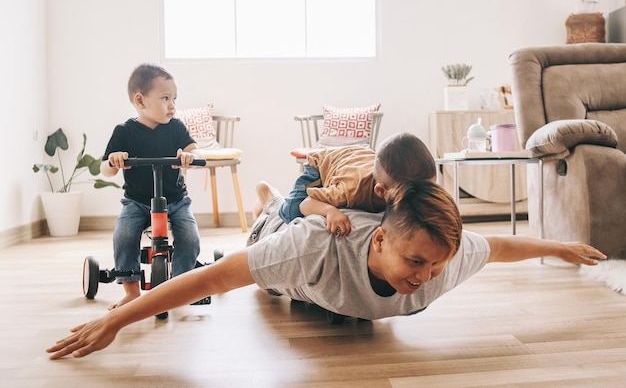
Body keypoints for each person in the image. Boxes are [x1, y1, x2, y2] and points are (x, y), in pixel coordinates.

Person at [47, 180, 606, 360]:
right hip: (292, 262)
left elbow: (502, 246)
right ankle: (273, 197)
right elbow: (213, 279)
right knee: (273, 223)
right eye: (416, 262)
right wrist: (122, 317)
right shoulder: (309, 248)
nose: (428, 275)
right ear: (382, 237)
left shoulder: (445, 258)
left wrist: (561, 249)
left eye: (438, 265)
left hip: (331, 287)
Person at [100, 63, 203, 310]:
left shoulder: (176, 128)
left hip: (176, 200)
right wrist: (114, 161)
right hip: (137, 200)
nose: (172, 105)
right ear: (140, 100)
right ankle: (132, 290)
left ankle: (181, 286)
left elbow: (194, 150)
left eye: (174, 98)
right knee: (124, 235)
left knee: (189, 237)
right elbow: (105, 168)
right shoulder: (124, 132)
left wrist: (190, 157)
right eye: (165, 98)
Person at [272, 132, 436, 237]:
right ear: (380, 191)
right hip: (324, 163)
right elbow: (306, 204)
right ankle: (269, 196)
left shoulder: (402, 183)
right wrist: (330, 211)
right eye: (414, 197)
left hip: (360, 157)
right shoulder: (349, 190)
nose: (423, 199)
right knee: (292, 212)